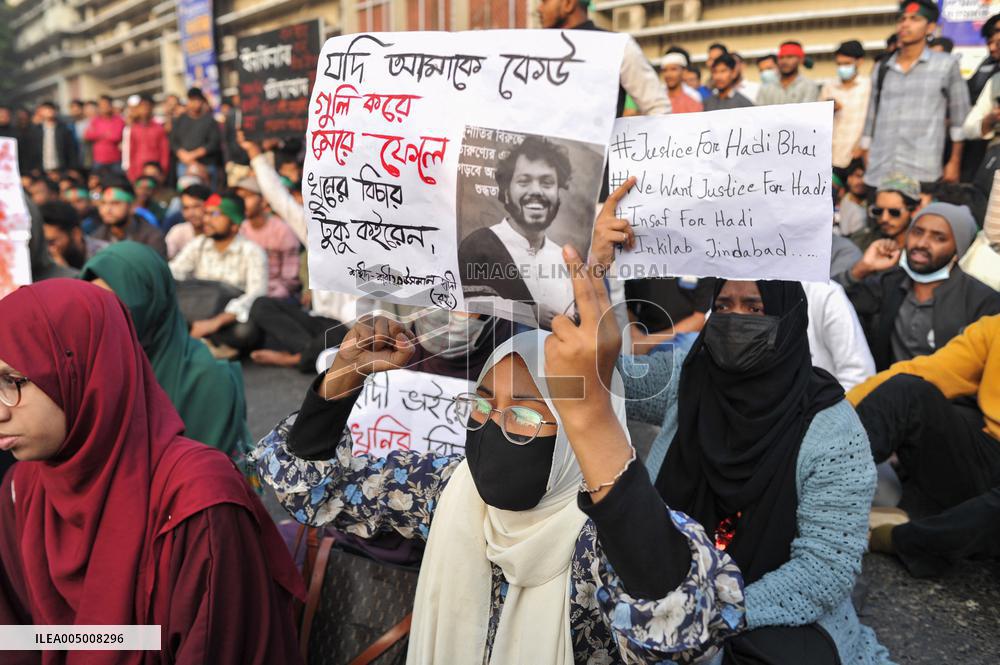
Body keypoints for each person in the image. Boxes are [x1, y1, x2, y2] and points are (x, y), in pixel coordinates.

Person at [252, 287, 747, 663]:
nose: (494, 425)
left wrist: (593, 416)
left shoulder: (609, 543)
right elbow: (310, 488)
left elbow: (684, 631)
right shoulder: (448, 488)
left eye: (527, 414)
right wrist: (344, 376)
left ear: (577, 432)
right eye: (483, 403)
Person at [0, 279, 304, 664]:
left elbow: (216, 645)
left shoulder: (197, 499)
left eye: (13, 380)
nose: (1, 410)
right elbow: (19, 639)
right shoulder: (24, 488)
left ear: (82, 368)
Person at [620, 278, 889, 664]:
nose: (735, 320)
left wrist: (712, 612)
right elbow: (608, 377)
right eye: (724, 306)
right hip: (668, 590)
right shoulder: (691, 379)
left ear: (789, 318)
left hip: (771, 613)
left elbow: (823, 570)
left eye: (755, 308)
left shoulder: (832, 429)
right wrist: (597, 278)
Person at [849, 315, 1000, 578]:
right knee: (907, 391)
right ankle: (807, 489)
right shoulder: (995, 327)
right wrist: (831, 417)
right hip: (989, 458)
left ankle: (901, 539)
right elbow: (926, 371)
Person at [80, 242, 252, 460]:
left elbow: (211, 477)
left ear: (152, 302)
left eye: (117, 304)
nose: (102, 318)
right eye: (93, 304)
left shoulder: (205, 379)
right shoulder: (87, 372)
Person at [837, 202, 1000, 370]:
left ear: (959, 249)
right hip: (883, 390)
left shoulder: (983, 301)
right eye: (917, 232)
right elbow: (828, 304)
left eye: (939, 238)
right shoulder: (889, 283)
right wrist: (862, 268)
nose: (922, 243)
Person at [458, 136, 574, 327]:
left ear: (558, 193)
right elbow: (461, 317)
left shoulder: (565, 257)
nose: (536, 191)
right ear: (505, 192)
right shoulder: (478, 247)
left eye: (547, 183)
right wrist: (527, 313)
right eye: (524, 181)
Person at [861, 0, 969, 188]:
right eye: (902, 19)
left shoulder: (946, 65)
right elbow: (872, 115)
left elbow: (960, 120)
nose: (905, 24)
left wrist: (954, 162)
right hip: (880, 171)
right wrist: (865, 152)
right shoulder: (882, 67)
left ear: (930, 27)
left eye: (914, 19)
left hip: (922, 172)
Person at [169, 191, 268, 357]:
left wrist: (215, 323)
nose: (207, 220)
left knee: (245, 331)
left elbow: (256, 295)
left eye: (215, 214)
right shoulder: (198, 245)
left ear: (235, 224)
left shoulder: (252, 252)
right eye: (206, 213)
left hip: (226, 320)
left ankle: (202, 344)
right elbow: (174, 271)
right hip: (198, 311)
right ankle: (209, 346)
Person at [535, 0, 670, 117]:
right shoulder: (537, 49)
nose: (539, 9)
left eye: (545, 1)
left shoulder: (616, 47)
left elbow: (658, 108)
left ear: (568, 3)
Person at [234, 176, 301, 299]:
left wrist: (265, 298)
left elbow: (290, 280)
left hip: (275, 296)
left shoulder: (282, 230)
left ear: (263, 200)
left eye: (247, 197)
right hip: (244, 293)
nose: (242, 203)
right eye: (239, 198)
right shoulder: (239, 229)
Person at [821, 41, 872, 170]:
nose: (842, 68)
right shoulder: (829, 87)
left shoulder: (868, 87)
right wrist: (828, 109)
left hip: (856, 157)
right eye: (839, 64)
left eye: (847, 64)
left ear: (859, 62)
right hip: (830, 156)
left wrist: (864, 147)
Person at [91, 177, 167, 257]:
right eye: (103, 203)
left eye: (115, 203)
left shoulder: (152, 238)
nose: (107, 210)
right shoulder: (96, 238)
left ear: (132, 206)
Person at [849, 171, 922, 252]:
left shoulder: (921, 248)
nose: (884, 218)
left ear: (914, 211)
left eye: (894, 212)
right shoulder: (861, 241)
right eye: (878, 211)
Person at [170, 87, 223, 185]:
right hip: (184, 165)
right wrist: (184, 155)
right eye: (192, 100)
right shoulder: (180, 120)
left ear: (202, 101)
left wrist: (193, 155)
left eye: (197, 100)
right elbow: (173, 141)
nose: (195, 103)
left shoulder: (210, 121)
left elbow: (213, 143)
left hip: (206, 165)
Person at [40, 200, 108, 270]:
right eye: (44, 242)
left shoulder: (105, 256)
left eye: (52, 242)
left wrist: (63, 272)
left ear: (76, 234)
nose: (49, 249)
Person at [22, 102, 78, 175]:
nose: (49, 111)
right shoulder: (35, 131)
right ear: (41, 112)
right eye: (46, 109)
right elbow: (30, 151)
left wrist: (72, 168)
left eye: (52, 109)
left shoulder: (64, 129)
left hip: (61, 168)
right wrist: (33, 168)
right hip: (41, 170)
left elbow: (71, 150)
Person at [755, 41, 819, 106]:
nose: (784, 61)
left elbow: (806, 112)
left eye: (790, 57)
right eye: (781, 57)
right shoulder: (766, 87)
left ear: (800, 60)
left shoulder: (809, 86)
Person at [127, 94, 170, 183]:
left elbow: (164, 151)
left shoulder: (159, 128)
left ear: (152, 107)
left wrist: (163, 171)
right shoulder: (133, 129)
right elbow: (131, 152)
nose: (145, 109)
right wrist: (131, 173)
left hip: (155, 170)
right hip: (138, 170)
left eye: (147, 106)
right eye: (142, 106)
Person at [166, 183, 211, 259]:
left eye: (196, 206)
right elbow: (165, 256)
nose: (191, 213)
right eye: (186, 208)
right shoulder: (178, 231)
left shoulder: (219, 233)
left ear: (209, 206)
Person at [82, 95, 124, 172]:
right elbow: (88, 135)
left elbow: (116, 136)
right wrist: (105, 134)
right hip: (98, 160)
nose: (103, 107)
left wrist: (98, 135)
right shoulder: (95, 120)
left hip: (115, 159)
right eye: (101, 105)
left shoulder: (118, 120)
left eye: (106, 104)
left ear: (111, 105)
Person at [835, 158, 869, 236]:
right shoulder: (841, 200)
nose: (862, 181)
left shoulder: (873, 206)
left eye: (865, 177)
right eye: (858, 176)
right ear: (849, 178)